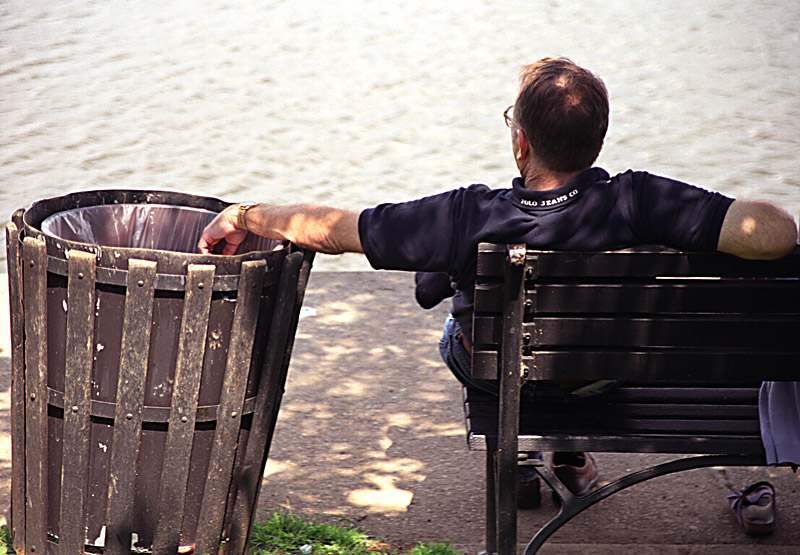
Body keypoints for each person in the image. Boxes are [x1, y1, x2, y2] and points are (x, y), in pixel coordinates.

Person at [198, 58, 797, 512]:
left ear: (521, 142)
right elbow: (774, 234)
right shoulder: (642, 199)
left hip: (501, 379)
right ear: (597, 141)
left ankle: (518, 459)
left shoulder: (465, 213)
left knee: (461, 311)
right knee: (556, 330)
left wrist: (246, 214)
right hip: (604, 379)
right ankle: (564, 451)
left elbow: (333, 230)